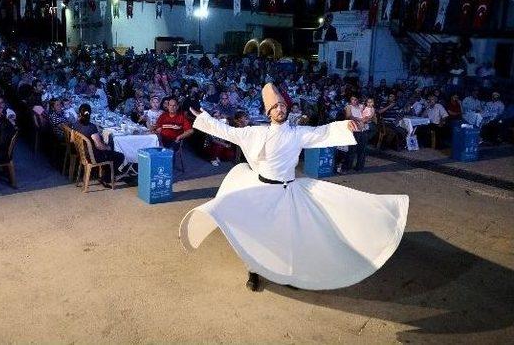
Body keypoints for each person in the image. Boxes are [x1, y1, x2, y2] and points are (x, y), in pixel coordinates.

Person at [180, 83, 408, 291]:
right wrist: (205, 119)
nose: (280, 109)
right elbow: (227, 131)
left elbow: (324, 132)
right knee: (258, 235)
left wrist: (347, 125)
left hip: (288, 192)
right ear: (268, 112)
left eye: (282, 105)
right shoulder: (255, 132)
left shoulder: (298, 133)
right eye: (275, 107)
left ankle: (290, 276)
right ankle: (254, 271)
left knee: (289, 236)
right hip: (260, 192)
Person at [73, 104, 124, 185]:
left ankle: (107, 172)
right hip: (92, 157)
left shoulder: (75, 124)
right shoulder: (91, 127)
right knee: (119, 155)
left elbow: (73, 140)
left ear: (79, 113)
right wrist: (109, 147)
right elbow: (99, 146)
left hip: (82, 153)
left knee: (109, 150)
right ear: (90, 113)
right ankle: (106, 178)